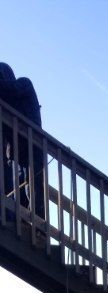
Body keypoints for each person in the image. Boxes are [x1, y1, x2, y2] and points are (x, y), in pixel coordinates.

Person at [0, 62, 44, 218]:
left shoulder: (24, 83)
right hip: (15, 153)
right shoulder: (6, 103)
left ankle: (38, 229)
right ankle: (22, 222)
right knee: (18, 192)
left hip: (33, 146)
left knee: (33, 190)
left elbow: (9, 90)